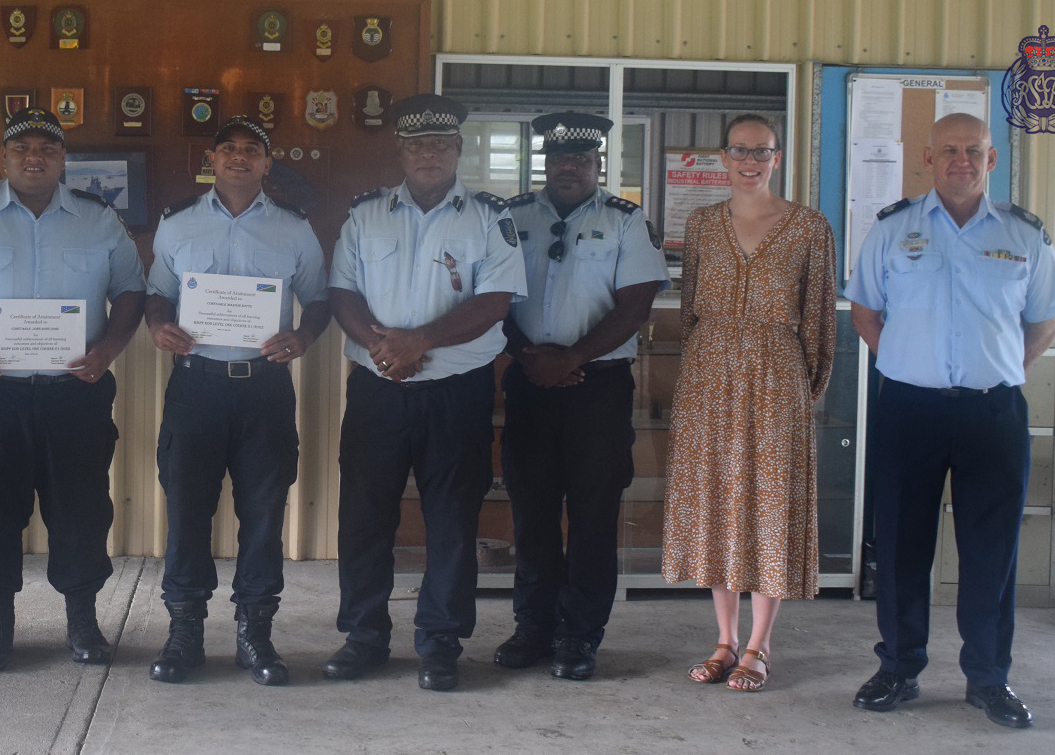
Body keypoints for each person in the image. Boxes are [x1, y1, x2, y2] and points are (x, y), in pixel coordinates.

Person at [845, 113, 1055, 728]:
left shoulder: (1024, 234)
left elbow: (1047, 320)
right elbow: (865, 311)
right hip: (908, 408)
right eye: (949, 149)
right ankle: (898, 666)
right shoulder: (894, 229)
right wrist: (906, 362)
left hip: (992, 410)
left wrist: (1000, 370)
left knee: (991, 551)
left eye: (973, 150)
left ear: (991, 159)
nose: (961, 160)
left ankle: (989, 679)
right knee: (899, 545)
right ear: (928, 157)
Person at [0, 107, 146, 672]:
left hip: (74, 392)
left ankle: (83, 620)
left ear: (64, 160)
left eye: (47, 149)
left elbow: (131, 292)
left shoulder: (98, 220)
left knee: (81, 507)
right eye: (22, 149)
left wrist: (108, 351)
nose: (34, 158)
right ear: (3, 159)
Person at [325, 93, 526, 692]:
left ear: (458, 150)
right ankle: (364, 636)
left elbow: (496, 301)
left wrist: (420, 342)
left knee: (452, 520)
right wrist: (384, 349)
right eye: (417, 144)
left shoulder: (490, 217)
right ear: (401, 151)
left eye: (440, 144)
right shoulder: (366, 215)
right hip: (376, 389)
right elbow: (343, 295)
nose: (428, 153)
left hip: (456, 390)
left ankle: (440, 643)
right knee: (364, 517)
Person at [143, 116, 329, 686]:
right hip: (196, 385)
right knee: (188, 513)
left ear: (268, 164)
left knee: (265, 514)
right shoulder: (177, 225)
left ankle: (256, 633)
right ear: (213, 158)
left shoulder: (296, 230)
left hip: (264, 389)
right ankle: (185, 632)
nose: (240, 158)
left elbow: (318, 300)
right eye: (229, 149)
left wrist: (303, 336)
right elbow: (157, 295)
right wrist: (158, 328)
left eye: (253, 150)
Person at [659, 113, 837, 692]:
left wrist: (801, 392)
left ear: (777, 158)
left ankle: (758, 645)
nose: (750, 161)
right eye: (739, 150)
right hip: (708, 375)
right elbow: (688, 312)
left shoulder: (810, 228)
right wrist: (698, 376)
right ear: (723, 157)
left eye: (762, 151)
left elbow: (818, 322)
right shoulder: (703, 223)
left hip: (777, 376)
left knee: (767, 502)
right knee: (715, 501)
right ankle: (723, 640)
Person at [492, 112, 667, 680]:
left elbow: (635, 305)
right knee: (532, 509)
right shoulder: (511, 217)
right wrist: (527, 356)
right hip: (528, 381)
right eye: (560, 158)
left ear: (598, 165)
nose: (569, 167)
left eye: (582, 159)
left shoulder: (625, 221)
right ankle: (534, 626)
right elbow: (490, 296)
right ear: (545, 161)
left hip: (598, 388)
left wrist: (571, 359)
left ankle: (580, 633)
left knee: (593, 513)